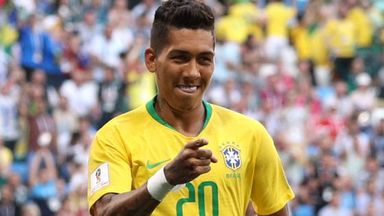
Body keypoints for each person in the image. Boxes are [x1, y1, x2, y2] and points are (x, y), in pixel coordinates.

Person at [87, 0, 294, 215]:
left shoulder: (251, 134)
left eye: (204, 60)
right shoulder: (116, 135)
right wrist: (166, 179)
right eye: (180, 58)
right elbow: (104, 211)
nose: (193, 72)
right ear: (151, 60)